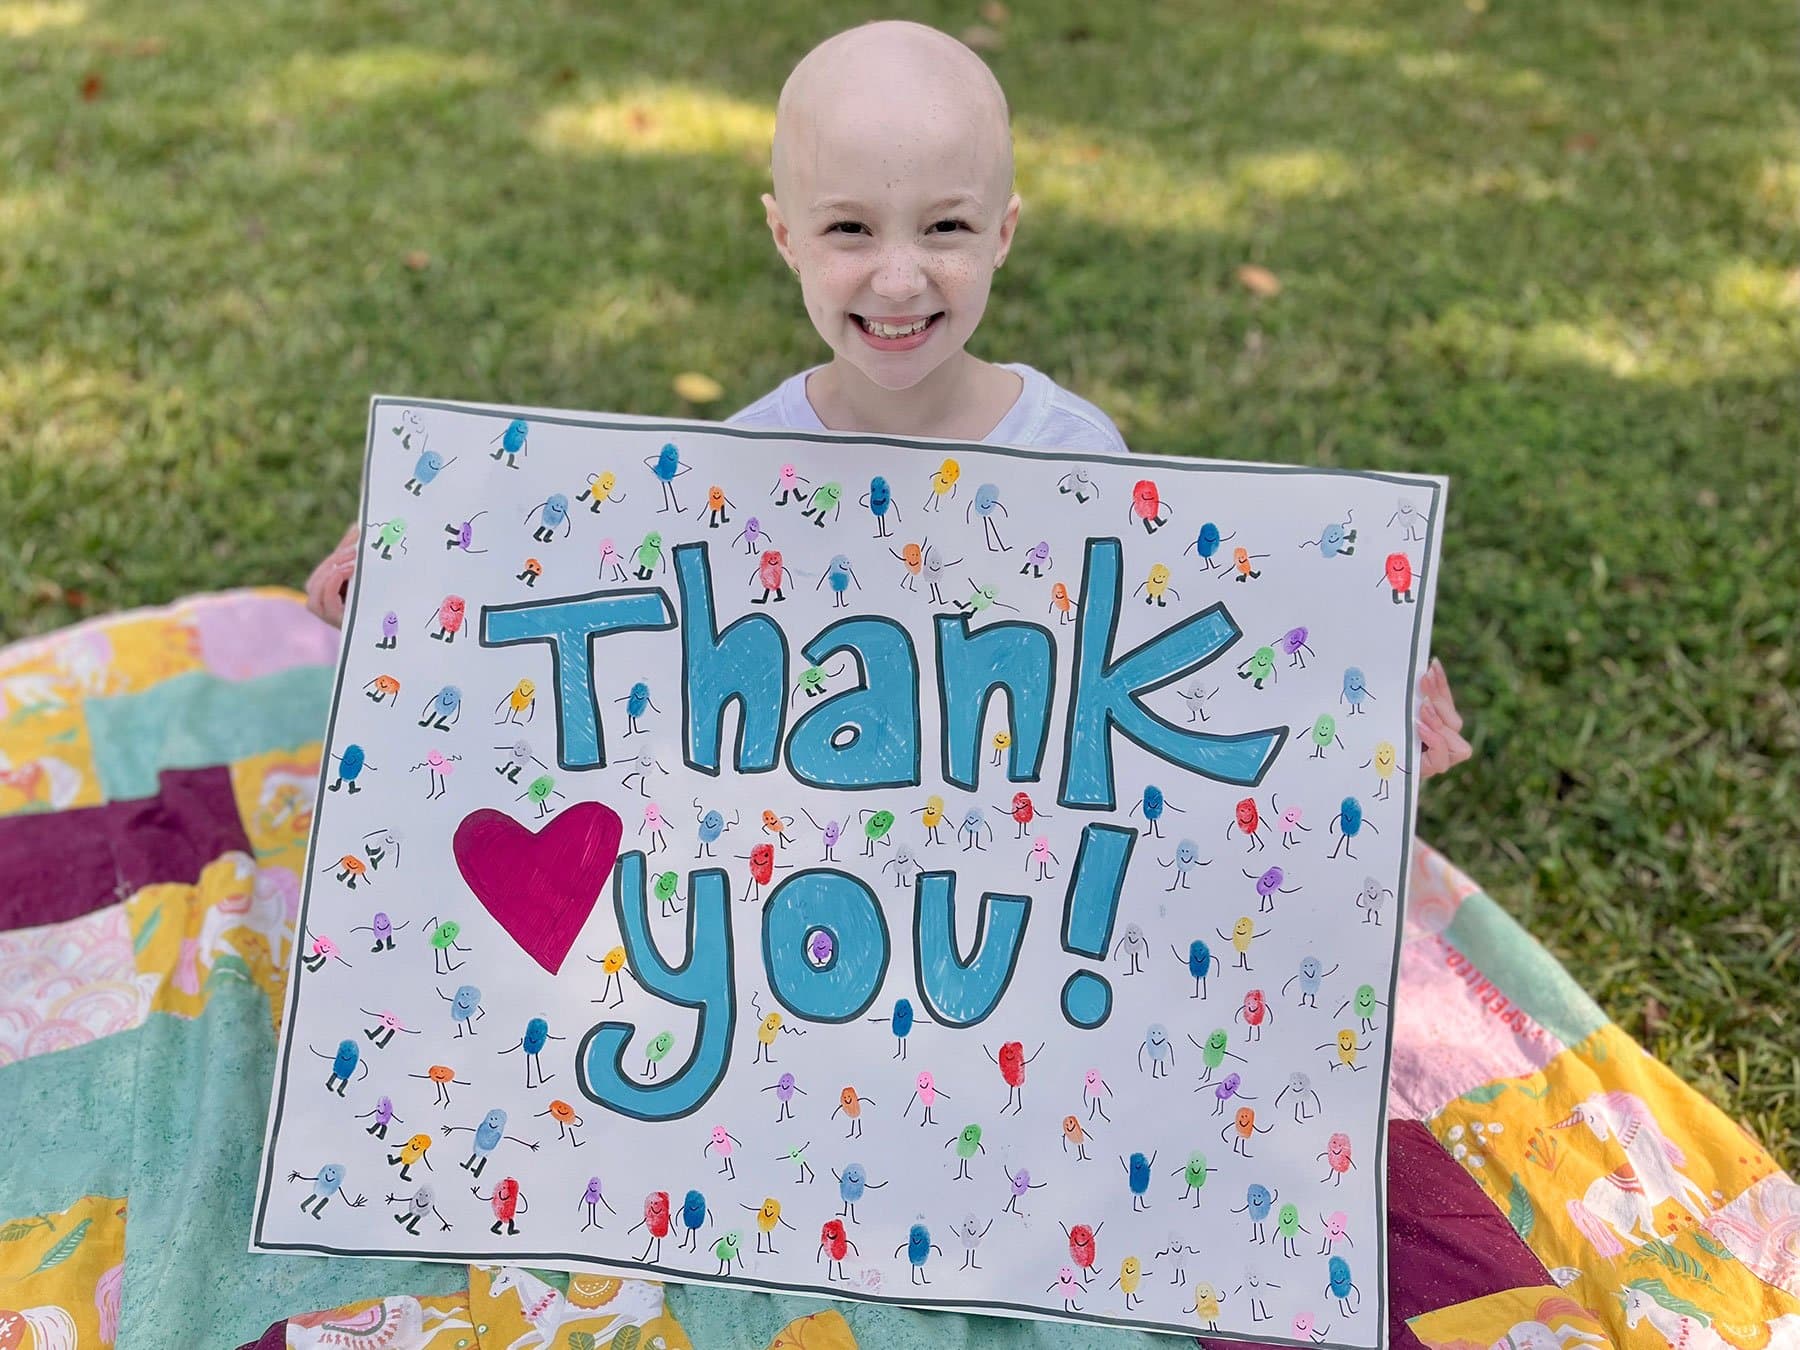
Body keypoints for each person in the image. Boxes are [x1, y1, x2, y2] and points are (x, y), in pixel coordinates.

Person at [303, 19, 1470, 779]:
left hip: (1002, 886)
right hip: (807, 885)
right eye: (851, 228)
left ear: (1005, 235)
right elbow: (637, 647)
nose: (900, 277)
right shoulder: (746, 460)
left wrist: (1360, 712)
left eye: (947, 229)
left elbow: (1149, 683)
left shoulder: (1074, 454)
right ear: (783, 237)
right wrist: (425, 568)